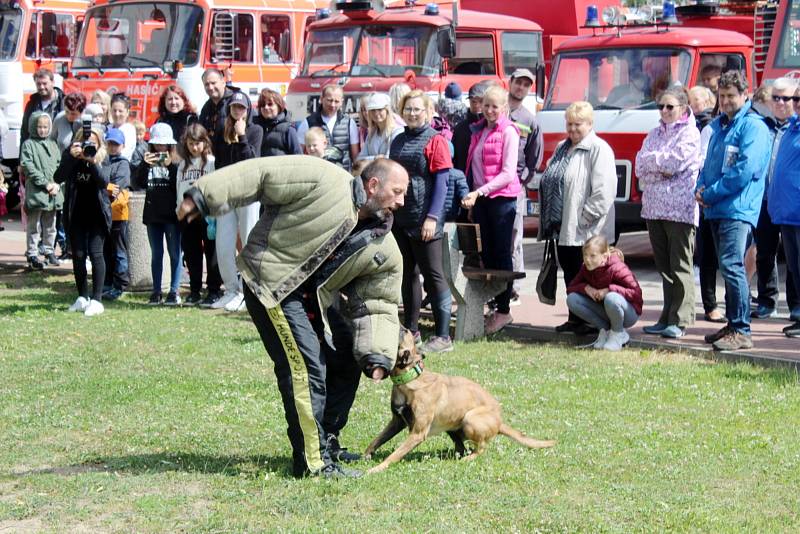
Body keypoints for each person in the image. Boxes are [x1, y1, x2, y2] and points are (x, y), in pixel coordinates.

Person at [177, 156, 408, 479]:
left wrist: (376, 353)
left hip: (311, 298)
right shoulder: (323, 178)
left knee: (345, 357)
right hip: (272, 282)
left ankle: (326, 440)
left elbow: (378, 301)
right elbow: (261, 174)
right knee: (306, 368)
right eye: (397, 191)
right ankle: (313, 463)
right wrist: (203, 196)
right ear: (373, 185)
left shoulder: (383, 243)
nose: (401, 201)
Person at [695, 70, 771, 351]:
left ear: (744, 95)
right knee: (726, 268)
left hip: (736, 209)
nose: (725, 101)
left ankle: (741, 329)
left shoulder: (753, 127)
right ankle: (732, 323)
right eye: (722, 95)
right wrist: (700, 188)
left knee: (732, 266)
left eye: (730, 96)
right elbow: (707, 164)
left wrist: (710, 193)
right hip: (716, 208)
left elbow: (743, 171)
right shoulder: (719, 125)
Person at [538, 101, 617, 335]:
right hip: (563, 228)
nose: (572, 129)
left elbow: (604, 191)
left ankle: (592, 320)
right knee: (571, 276)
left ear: (590, 124)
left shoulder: (599, 149)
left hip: (586, 230)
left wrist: (584, 219)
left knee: (590, 276)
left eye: (578, 124)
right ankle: (575, 318)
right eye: (569, 124)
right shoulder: (563, 147)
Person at [389, 89, 454, 353]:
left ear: (428, 112)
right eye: (408, 109)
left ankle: (442, 336)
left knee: (434, 275)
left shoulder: (436, 141)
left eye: (418, 109)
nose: (413, 113)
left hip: (425, 218)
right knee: (407, 275)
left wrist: (432, 217)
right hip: (401, 217)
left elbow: (442, 183)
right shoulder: (398, 140)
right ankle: (412, 330)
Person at [636, 87, 701, 339]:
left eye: (670, 107)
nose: (664, 111)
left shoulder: (691, 133)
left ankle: (681, 319)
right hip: (653, 208)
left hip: (680, 209)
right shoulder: (653, 133)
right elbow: (641, 165)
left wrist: (658, 163)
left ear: (683, 109)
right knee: (663, 267)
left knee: (679, 265)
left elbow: (677, 163)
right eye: (661, 106)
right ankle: (666, 316)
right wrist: (660, 166)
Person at [461, 86, 521, 334]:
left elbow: (508, 173)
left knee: (501, 255)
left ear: (504, 108)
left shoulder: (509, 131)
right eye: (486, 105)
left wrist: (480, 192)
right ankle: (493, 306)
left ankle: (504, 310)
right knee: (485, 254)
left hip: (501, 200)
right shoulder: (479, 130)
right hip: (482, 200)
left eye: (495, 106)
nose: (489, 110)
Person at [751, 77, 800, 320]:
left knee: (793, 258)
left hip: (791, 203)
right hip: (765, 200)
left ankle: (795, 305)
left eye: (787, 98)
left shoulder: (794, 126)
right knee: (765, 253)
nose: (781, 102)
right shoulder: (762, 126)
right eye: (776, 97)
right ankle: (767, 300)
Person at [211, 91, 262, 312]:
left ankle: (248, 291)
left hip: (249, 193)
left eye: (241, 108)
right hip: (227, 193)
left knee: (249, 239)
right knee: (223, 243)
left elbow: (252, 161)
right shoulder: (222, 131)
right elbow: (219, 163)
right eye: (234, 108)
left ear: (248, 109)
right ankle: (232, 289)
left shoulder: (255, 130)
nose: (238, 111)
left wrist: (242, 137)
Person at [55, 124, 110, 317]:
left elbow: (104, 182)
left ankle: (97, 300)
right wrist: (71, 156)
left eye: (93, 143)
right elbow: (58, 176)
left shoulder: (103, 156)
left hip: (97, 214)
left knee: (96, 254)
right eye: (86, 143)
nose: (89, 147)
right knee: (78, 255)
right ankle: (82, 297)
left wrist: (92, 161)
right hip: (76, 212)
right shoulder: (71, 155)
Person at [133, 122, 182, 306]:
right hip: (153, 214)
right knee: (157, 253)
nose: (160, 148)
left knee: (175, 253)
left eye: (164, 145)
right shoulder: (147, 161)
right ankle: (156, 291)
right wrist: (145, 165)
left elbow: (179, 185)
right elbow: (137, 182)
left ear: (170, 145)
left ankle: (174, 290)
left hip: (172, 214)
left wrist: (170, 166)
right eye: (157, 144)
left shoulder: (176, 162)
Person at [566, 235, 642, 350]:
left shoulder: (617, 267)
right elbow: (570, 288)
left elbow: (636, 293)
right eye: (585, 255)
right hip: (606, 310)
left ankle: (618, 334)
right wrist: (586, 288)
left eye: (592, 256)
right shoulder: (586, 267)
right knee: (572, 299)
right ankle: (605, 331)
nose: (587, 259)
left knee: (611, 298)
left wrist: (608, 290)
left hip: (628, 313)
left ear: (604, 256)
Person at [176, 123, 222, 306]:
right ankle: (194, 290)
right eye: (191, 143)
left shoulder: (211, 162)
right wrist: (179, 209)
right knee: (191, 254)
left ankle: (213, 290)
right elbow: (179, 188)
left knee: (211, 253)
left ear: (205, 142)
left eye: (198, 143)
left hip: (207, 215)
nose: (194, 147)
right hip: (187, 216)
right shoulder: (182, 165)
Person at [508, 68, 544, 303]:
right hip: (490, 188)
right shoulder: (495, 111)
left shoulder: (530, 120)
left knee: (514, 239)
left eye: (526, 85)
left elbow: (535, 159)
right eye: (518, 82)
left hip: (514, 189)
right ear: (509, 83)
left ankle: (514, 287)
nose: (521, 87)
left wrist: (521, 182)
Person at [769, 83, 800, 338]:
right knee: (794, 268)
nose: (796, 104)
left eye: (796, 99)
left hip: (798, 210)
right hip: (786, 211)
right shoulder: (791, 128)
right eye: (796, 100)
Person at [21, 112, 62, 269]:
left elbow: (59, 165)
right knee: (34, 225)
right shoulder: (29, 144)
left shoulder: (53, 144)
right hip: (37, 192)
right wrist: (45, 184)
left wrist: (57, 183)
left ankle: (49, 249)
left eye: (45, 127)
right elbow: (28, 167)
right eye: (39, 126)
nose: (43, 130)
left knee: (50, 224)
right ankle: (32, 253)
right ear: (33, 126)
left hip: (53, 193)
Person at [297, 84, 359, 171]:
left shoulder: (349, 123)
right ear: (321, 99)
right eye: (329, 100)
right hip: (317, 173)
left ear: (342, 102)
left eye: (336, 101)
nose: (333, 105)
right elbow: (299, 154)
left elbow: (355, 156)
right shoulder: (307, 123)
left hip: (343, 175)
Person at [101, 127, 132, 300]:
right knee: (106, 250)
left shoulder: (123, 164)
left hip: (119, 213)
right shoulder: (103, 161)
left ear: (123, 146)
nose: (112, 147)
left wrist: (101, 186)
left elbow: (117, 188)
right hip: (104, 212)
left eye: (116, 144)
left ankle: (120, 285)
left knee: (119, 251)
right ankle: (107, 282)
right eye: (110, 143)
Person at [453, 81, 492, 172]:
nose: (477, 105)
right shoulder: (459, 128)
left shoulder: (492, 127)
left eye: (481, 101)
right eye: (473, 101)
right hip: (463, 179)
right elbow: (455, 159)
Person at [253, 88, 301, 157]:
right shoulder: (255, 127)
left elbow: (298, 156)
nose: (266, 107)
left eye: (270, 104)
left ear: (279, 106)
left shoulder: (288, 129)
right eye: (263, 105)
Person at [21, 68, 64, 145]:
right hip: (36, 151)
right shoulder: (31, 104)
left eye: (44, 83)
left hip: (57, 150)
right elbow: (24, 132)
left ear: (53, 82)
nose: (41, 87)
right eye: (38, 84)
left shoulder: (63, 102)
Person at [356, 93, 403, 162]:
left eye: (380, 109)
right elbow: (360, 159)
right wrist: (376, 158)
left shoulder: (397, 132)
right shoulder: (371, 134)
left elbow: (391, 159)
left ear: (387, 110)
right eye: (373, 110)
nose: (376, 113)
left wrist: (370, 159)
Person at [199, 68, 240, 145]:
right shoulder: (206, 107)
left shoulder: (236, 102)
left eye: (213, 83)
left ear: (223, 83)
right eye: (206, 84)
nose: (210, 87)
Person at [108, 93, 136, 160]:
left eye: (120, 111)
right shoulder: (107, 128)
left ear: (127, 112)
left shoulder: (129, 130)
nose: (117, 114)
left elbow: (126, 153)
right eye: (114, 110)